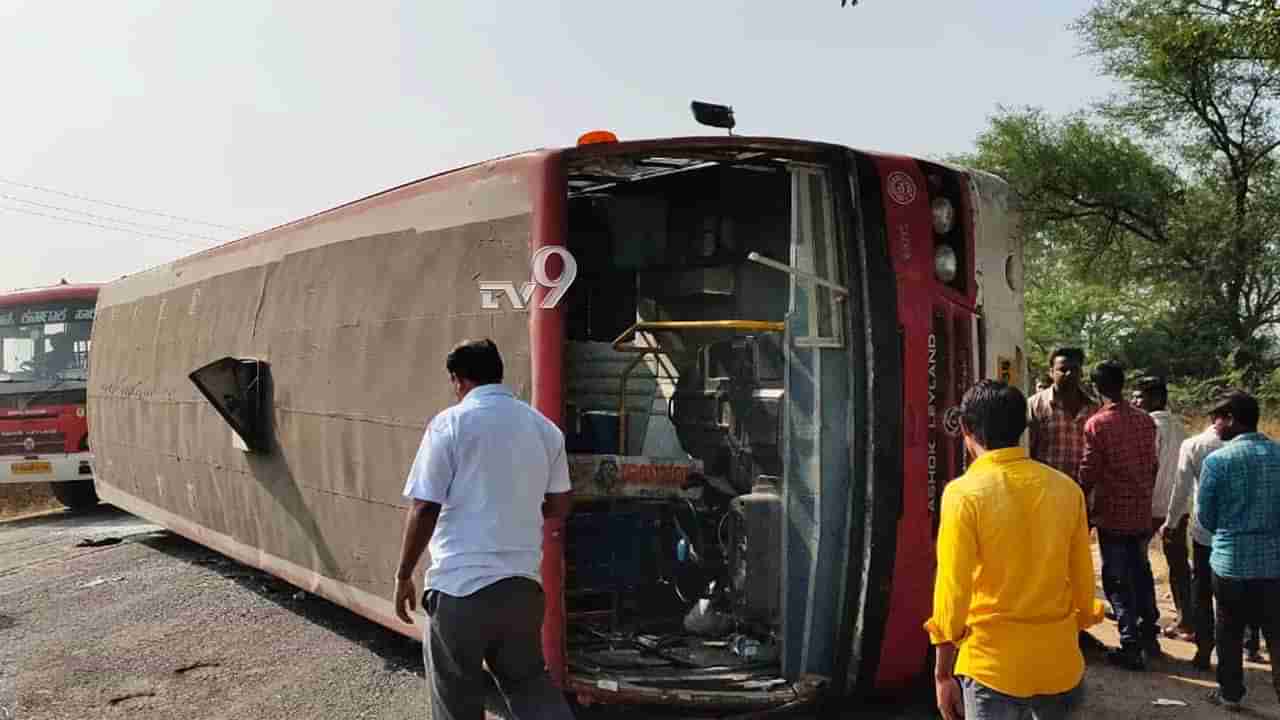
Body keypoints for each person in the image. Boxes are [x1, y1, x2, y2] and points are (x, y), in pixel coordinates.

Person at [393, 339, 575, 720]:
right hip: (522, 592)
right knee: (529, 686)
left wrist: (403, 575)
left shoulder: (450, 424)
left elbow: (425, 506)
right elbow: (559, 505)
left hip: (460, 591)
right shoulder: (545, 430)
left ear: (458, 380)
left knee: (456, 698)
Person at [927, 380, 1104, 720]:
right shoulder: (1066, 489)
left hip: (993, 667)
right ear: (1024, 427)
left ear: (965, 427)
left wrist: (943, 673)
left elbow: (953, 590)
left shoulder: (963, 494)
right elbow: (1083, 580)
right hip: (1059, 664)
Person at [1196, 390, 1280, 711]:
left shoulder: (1217, 461)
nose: (1215, 425)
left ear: (1231, 418)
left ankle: (1230, 693)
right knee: (1276, 632)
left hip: (1231, 562)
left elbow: (1206, 517)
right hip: (1274, 563)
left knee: (1228, 630)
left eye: (1217, 418)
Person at [1079, 361, 1160, 670]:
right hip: (1140, 511)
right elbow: (1152, 466)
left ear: (1097, 387)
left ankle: (1130, 643)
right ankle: (1150, 634)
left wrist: (1077, 499)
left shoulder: (1097, 425)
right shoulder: (1145, 421)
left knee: (1116, 579)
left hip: (1112, 513)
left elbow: (1089, 471)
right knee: (1141, 571)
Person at [1163, 407, 1226, 669]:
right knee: (1240, 590)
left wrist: (1171, 521)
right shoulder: (1262, 449)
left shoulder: (1196, 444)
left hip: (1205, 532)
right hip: (1239, 534)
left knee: (1203, 591)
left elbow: (1181, 489)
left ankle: (1204, 649)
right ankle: (1250, 644)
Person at [1133, 376, 1191, 640]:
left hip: (1150, 503)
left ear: (1156, 399)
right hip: (1177, 505)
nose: (1135, 401)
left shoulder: (1147, 425)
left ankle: (1141, 616)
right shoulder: (1180, 427)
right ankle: (1186, 619)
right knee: (1178, 564)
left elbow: (1146, 467)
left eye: (1139, 397)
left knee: (1138, 561)